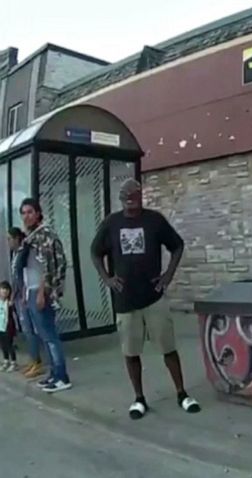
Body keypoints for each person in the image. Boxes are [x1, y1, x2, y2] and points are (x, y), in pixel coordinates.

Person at [90, 179, 201, 419]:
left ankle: (182, 393)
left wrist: (168, 276)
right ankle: (139, 399)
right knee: (131, 353)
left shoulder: (154, 220)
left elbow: (177, 246)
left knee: (168, 348)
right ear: (120, 199)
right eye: (124, 194)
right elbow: (95, 252)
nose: (129, 197)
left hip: (153, 298)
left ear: (141, 195)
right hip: (126, 301)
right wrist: (107, 279)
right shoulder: (112, 223)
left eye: (134, 193)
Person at [18, 198, 71, 393]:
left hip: (43, 292)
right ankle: (53, 374)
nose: (26, 216)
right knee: (43, 335)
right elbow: (28, 268)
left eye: (30, 211)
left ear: (39, 213)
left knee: (50, 336)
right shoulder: (30, 236)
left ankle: (62, 376)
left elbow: (48, 267)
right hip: (30, 290)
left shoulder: (45, 235)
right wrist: (25, 291)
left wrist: (42, 292)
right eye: (23, 212)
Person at [8, 227, 43, 378]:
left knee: (33, 329)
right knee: (27, 329)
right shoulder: (15, 254)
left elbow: (24, 276)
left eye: (9, 239)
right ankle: (33, 359)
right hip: (20, 294)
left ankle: (38, 361)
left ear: (17, 239)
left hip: (27, 293)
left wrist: (21, 293)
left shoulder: (26, 252)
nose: (8, 242)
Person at [0, 281, 16, 371]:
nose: (4, 292)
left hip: (8, 327)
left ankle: (13, 362)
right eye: (2, 290)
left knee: (9, 345)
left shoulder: (9, 303)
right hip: (0, 327)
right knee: (3, 345)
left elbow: (13, 314)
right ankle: (6, 360)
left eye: (6, 290)